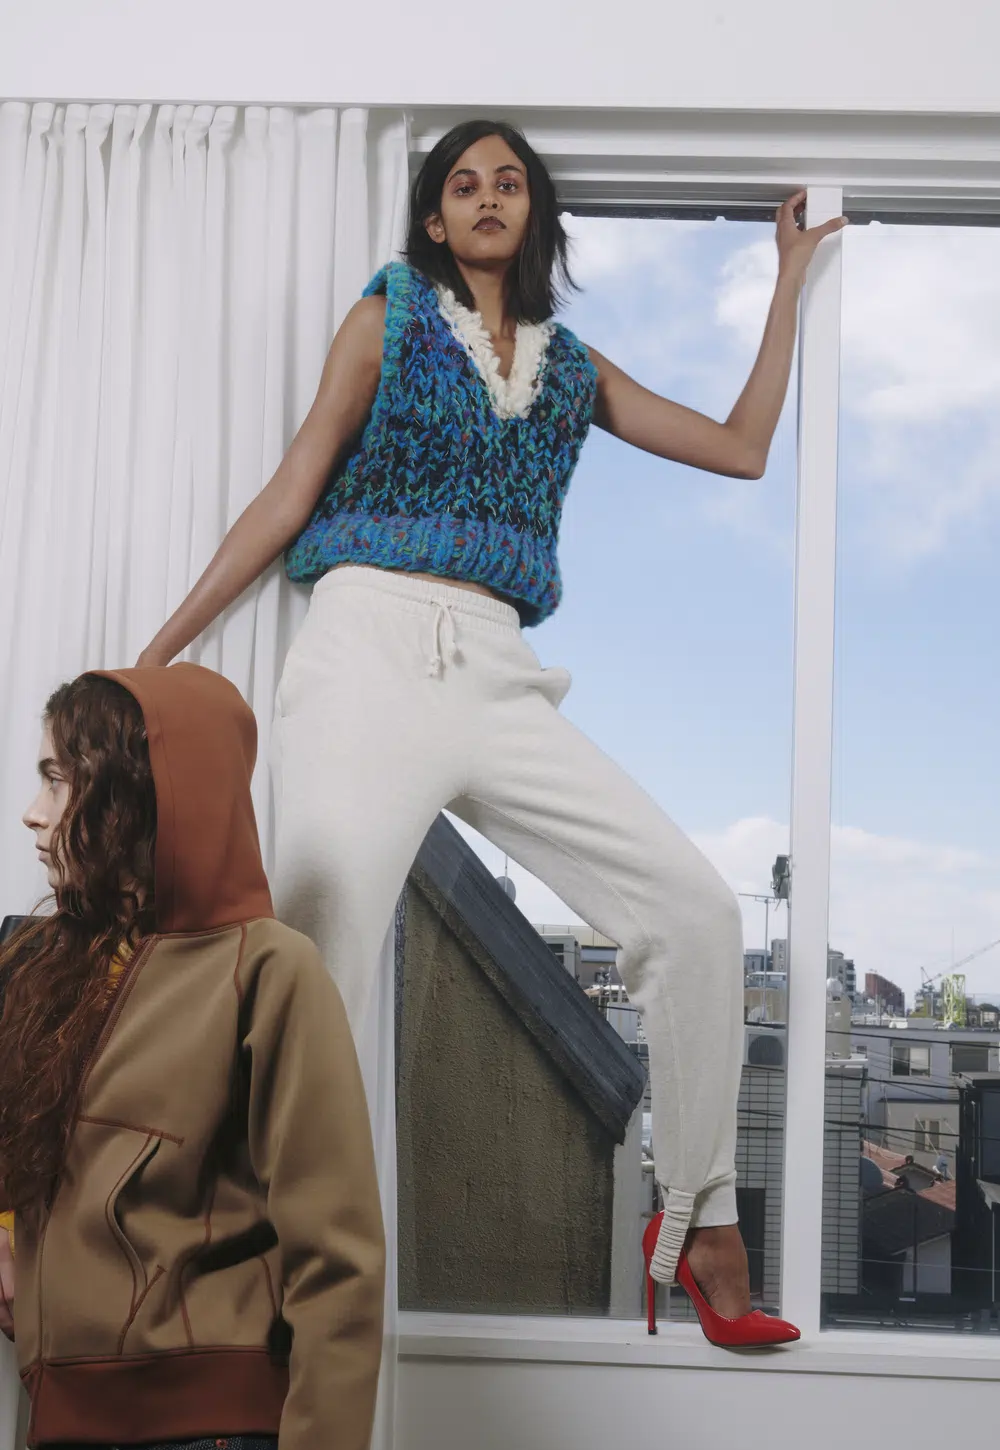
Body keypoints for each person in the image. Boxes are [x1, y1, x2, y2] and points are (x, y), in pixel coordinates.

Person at [137, 118, 846, 1339]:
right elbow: (293, 488)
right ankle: (216, 1245)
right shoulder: (388, 321)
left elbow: (739, 450)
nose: (485, 198)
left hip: (497, 667)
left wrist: (787, 283)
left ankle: (701, 1219)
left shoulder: (572, 369)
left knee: (697, 914)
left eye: (508, 183)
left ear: (533, 214)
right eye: (462, 184)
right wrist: (156, 655)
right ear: (433, 217)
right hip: (366, 650)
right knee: (307, 967)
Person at [0, 666, 385, 1450]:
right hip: (69, 1444)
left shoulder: (269, 969)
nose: (33, 812)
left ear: (134, 798)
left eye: (58, 781)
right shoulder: (53, 969)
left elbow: (340, 1269)